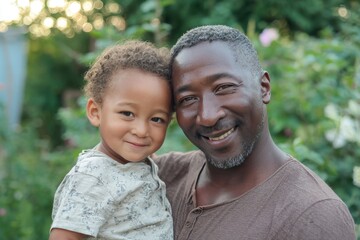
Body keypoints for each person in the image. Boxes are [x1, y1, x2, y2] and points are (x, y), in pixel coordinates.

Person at [155, 25, 356, 240]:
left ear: (264, 87)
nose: (207, 116)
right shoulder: (160, 177)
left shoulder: (312, 216)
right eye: (188, 99)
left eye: (224, 87)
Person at [49, 40, 174, 240]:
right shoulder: (93, 176)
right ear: (95, 112)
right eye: (127, 113)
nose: (142, 131)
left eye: (156, 119)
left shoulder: (135, 163)